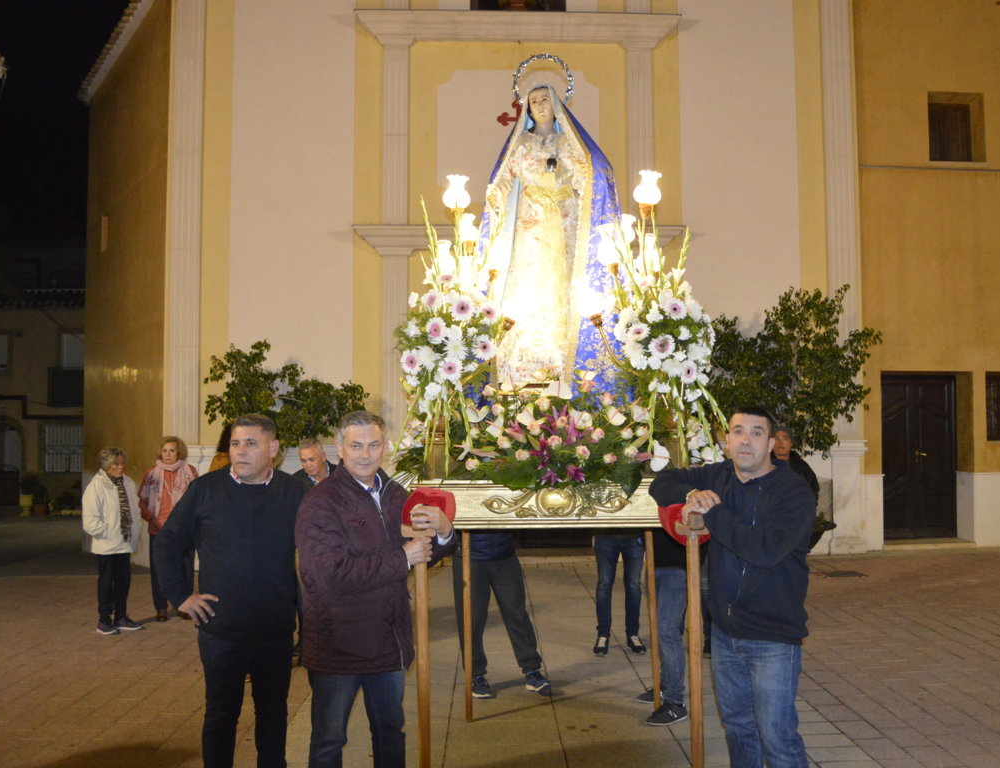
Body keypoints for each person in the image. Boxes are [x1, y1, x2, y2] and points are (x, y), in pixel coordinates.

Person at [649, 407, 815, 768]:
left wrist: (712, 511)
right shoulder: (718, 475)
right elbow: (660, 483)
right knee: (739, 730)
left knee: (777, 738)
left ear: (770, 444)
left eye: (756, 433)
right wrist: (694, 492)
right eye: (738, 431)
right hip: (725, 633)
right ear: (727, 441)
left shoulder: (793, 492)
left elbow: (763, 550)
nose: (745, 440)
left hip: (772, 636)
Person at [296, 410, 456, 768]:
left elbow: (424, 550)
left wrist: (445, 531)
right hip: (338, 644)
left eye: (373, 445)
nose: (365, 454)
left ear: (385, 446)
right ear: (339, 448)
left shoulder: (397, 495)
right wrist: (402, 558)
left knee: (390, 732)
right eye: (356, 446)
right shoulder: (320, 502)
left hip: (387, 640)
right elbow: (329, 574)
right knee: (329, 740)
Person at [154, 413, 305, 768]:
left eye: (251, 443)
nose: (240, 451)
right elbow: (167, 543)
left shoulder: (295, 493)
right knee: (221, 715)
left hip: (274, 630)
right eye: (235, 443)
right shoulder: (205, 490)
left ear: (273, 448)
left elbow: (323, 547)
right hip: (221, 631)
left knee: (273, 714)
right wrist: (181, 596)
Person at [482, 80, 622, 392]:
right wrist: (495, 195)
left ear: (556, 105)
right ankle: (527, 354)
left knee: (565, 282)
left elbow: (587, 176)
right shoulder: (522, 144)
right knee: (529, 280)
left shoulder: (568, 143)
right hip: (530, 224)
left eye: (545, 99)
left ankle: (563, 351)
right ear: (527, 110)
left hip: (564, 221)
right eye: (534, 102)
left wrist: (589, 188)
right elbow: (504, 178)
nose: (540, 105)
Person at [452, 532, 551, 699]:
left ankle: (532, 670)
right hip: (469, 557)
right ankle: (475, 675)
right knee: (471, 620)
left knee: (517, 615)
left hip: (504, 554)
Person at [632, 528, 705, 725]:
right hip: (656, 564)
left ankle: (675, 703)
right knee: (661, 631)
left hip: (678, 567)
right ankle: (665, 686)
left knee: (667, 631)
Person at [82, 447, 145, 635]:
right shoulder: (96, 486)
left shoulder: (128, 482)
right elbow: (90, 520)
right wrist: (107, 532)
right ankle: (104, 620)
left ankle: (121, 616)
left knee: (123, 580)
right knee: (106, 583)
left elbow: (134, 509)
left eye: (122, 463)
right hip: (107, 544)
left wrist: (135, 527)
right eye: (116, 464)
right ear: (106, 465)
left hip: (125, 542)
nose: (120, 467)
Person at [138, 435, 200, 621]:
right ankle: (161, 608)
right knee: (159, 570)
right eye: (165, 451)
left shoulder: (190, 472)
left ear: (179, 452)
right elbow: (142, 501)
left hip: (184, 530)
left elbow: (197, 499)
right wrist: (152, 518)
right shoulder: (151, 474)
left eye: (172, 451)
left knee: (185, 569)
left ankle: (183, 606)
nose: (168, 454)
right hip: (159, 529)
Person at [591, 532, 645, 656]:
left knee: (633, 586)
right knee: (604, 585)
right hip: (606, 534)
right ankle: (603, 634)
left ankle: (633, 634)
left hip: (634, 535)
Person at [772, 426, 820, 503]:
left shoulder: (802, 467)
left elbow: (813, 493)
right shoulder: (763, 466)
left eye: (785, 438)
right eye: (776, 439)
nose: (780, 443)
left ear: (791, 443)